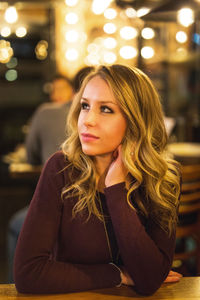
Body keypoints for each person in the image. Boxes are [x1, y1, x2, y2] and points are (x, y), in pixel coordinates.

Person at [14, 64, 181, 295]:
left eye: (106, 109)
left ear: (136, 120)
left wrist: (116, 189)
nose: (88, 120)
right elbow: (28, 274)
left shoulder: (163, 179)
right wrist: (119, 273)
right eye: (85, 106)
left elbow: (150, 280)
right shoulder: (61, 169)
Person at [7, 74, 73, 282]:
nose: (56, 94)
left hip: (66, 205)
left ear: (74, 89)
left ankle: (14, 289)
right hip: (92, 206)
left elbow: (30, 155)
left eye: (61, 88)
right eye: (54, 89)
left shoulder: (46, 112)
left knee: (17, 224)